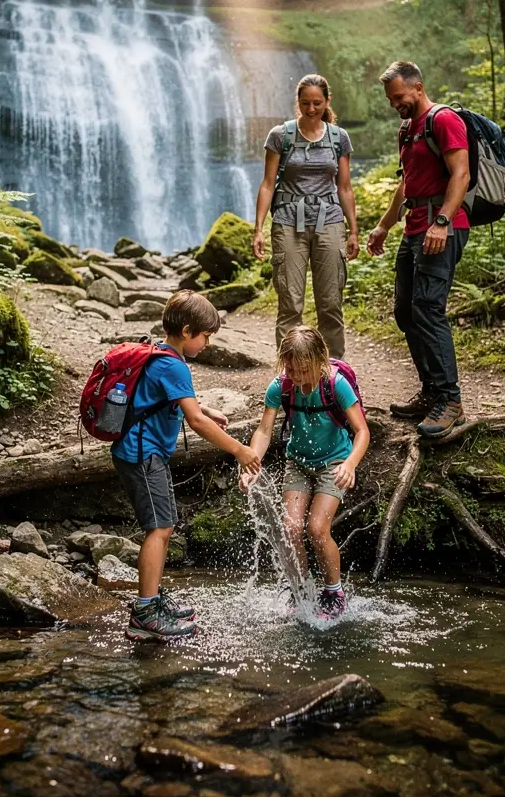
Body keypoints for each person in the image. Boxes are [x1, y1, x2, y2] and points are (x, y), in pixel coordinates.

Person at [112, 290, 260, 642]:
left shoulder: (162, 354)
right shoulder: (172, 363)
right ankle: (145, 614)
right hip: (142, 455)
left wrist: (205, 408)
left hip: (142, 453)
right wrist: (239, 450)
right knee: (160, 529)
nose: (207, 344)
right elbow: (194, 421)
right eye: (206, 336)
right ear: (188, 330)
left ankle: (153, 599)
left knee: (165, 526)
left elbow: (169, 400)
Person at [366, 60, 470, 439]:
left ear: (418, 87)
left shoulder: (443, 120)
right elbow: (406, 183)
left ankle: (450, 401)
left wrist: (442, 221)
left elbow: (461, 173)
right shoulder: (408, 129)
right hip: (414, 229)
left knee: (427, 309)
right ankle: (430, 393)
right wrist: (383, 225)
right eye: (391, 99)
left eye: (399, 97)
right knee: (405, 312)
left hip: (442, 227)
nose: (396, 104)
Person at [240, 325, 370, 618]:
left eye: (303, 370)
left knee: (316, 528)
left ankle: (333, 591)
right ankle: (299, 588)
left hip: (334, 463)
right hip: (297, 463)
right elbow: (263, 431)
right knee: (291, 528)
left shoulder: (336, 385)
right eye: (291, 369)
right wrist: (251, 462)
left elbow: (362, 431)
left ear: (320, 361)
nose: (296, 377)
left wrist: (350, 464)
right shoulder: (281, 386)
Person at [253, 74, 359, 358]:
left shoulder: (339, 138)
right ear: (297, 102)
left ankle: (335, 371)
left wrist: (354, 231)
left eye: (317, 103)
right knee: (290, 303)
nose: (311, 109)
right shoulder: (280, 136)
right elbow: (267, 183)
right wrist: (258, 229)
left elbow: (345, 187)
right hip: (288, 221)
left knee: (331, 302)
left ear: (327, 102)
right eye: (305, 103)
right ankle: (290, 374)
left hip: (330, 221)